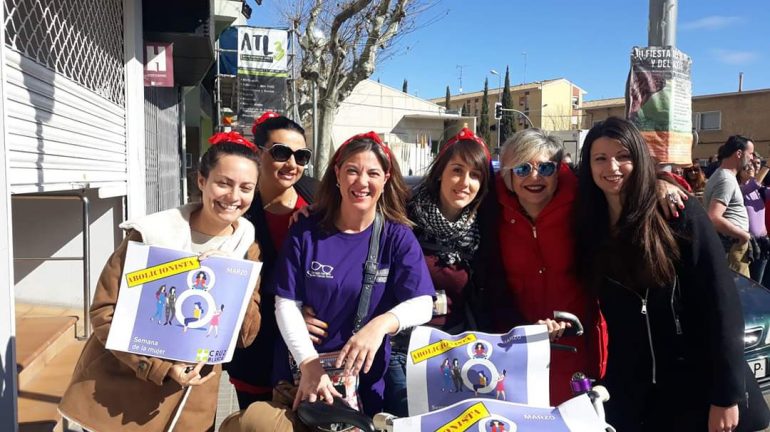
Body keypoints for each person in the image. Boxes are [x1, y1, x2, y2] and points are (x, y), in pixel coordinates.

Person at [219, 131, 435, 431]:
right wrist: (308, 362)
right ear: (337, 174)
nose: (361, 182)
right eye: (352, 171)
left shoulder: (396, 237)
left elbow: (424, 302)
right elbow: (286, 302)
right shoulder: (307, 229)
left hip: (364, 385)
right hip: (299, 378)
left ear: (385, 178)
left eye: (372, 173)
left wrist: (381, 325)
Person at [58, 131, 263, 431]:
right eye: (224, 183)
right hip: (121, 394)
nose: (234, 197)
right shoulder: (151, 235)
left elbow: (246, 337)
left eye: (246, 188)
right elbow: (104, 312)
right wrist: (159, 367)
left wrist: (232, 280)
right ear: (202, 181)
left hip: (192, 402)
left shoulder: (246, 248)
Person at [574, 117, 767, 431]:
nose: (612, 166)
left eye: (624, 156)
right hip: (632, 392)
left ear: (639, 159)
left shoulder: (678, 215)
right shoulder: (588, 227)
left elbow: (722, 304)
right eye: (600, 158)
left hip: (694, 386)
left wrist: (727, 395)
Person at [475, 128, 609, 405]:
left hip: (578, 347)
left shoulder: (585, 202)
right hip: (515, 349)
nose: (535, 177)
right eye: (523, 168)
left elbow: (627, 184)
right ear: (507, 175)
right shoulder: (490, 208)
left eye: (546, 167)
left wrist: (666, 181)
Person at [381, 127, 492, 415]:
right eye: (457, 170)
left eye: (475, 175)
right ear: (440, 171)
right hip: (402, 347)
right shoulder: (402, 215)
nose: (465, 183)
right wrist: (311, 211)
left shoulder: (485, 227)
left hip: (454, 348)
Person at [226, 111, 319, 409]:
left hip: (312, 353)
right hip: (257, 351)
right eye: (281, 152)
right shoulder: (236, 209)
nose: (292, 164)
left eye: (301, 156)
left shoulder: (320, 201)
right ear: (258, 152)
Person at [703, 135, 754, 277]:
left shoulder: (724, 176)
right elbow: (713, 217)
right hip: (732, 246)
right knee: (740, 293)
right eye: (750, 154)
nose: (752, 158)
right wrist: (743, 235)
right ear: (739, 153)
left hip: (732, 244)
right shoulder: (726, 179)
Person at [738, 163, 770, 282]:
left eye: (751, 166)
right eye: (745, 167)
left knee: (764, 284)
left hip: (764, 242)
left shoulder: (760, 191)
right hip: (750, 245)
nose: (750, 168)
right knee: (754, 283)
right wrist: (767, 166)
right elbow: (753, 184)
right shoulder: (739, 190)